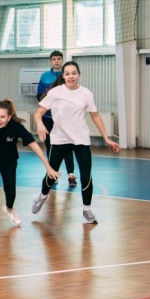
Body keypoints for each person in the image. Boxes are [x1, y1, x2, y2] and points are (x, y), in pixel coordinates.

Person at [32, 61, 121, 224]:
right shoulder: (55, 92)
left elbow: (95, 116)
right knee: (51, 175)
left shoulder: (86, 93)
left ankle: (87, 210)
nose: (71, 76)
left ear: (78, 74)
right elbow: (38, 113)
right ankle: (42, 196)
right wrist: (39, 124)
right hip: (60, 139)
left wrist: (106, 138)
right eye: (67, 74)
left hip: (81, 139)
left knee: (86, 176)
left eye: (74, 73)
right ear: (63, 75)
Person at [0, 99, 59, 239]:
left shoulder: (16, 127)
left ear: (9, 117)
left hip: (9, 159)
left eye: (2, 117)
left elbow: (34, 145)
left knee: (10, 191)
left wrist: (48, 167)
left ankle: (9, 208)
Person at [37, 51, 76, 188]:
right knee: (50, 146)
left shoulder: (67, 76)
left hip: (64, 119)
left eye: (59, 58)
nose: (56, 61)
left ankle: (71, 176)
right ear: (51, 61)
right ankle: (52, 173)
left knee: (68, 147)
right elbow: (39, 96)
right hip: (48, 118)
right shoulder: (45, 76)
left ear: (62, 60)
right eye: (54, 59)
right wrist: (50, 99)